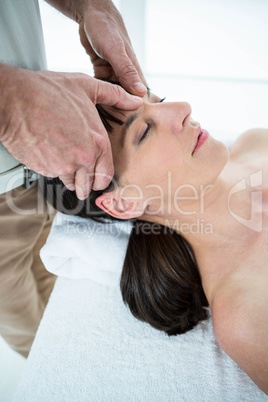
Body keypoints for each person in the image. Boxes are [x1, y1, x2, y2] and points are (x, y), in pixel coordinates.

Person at [44, 89, 268, 394]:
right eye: (144, 131)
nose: (182, 108)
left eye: (158, 100)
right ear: (124, 204)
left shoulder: (256, 141)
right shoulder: (246, 315)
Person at [0, 0, 146, 358]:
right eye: (143, 133)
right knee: (20, 315)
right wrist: (8, 100)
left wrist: (91, 6)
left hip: (31, 166)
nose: (187, 108)